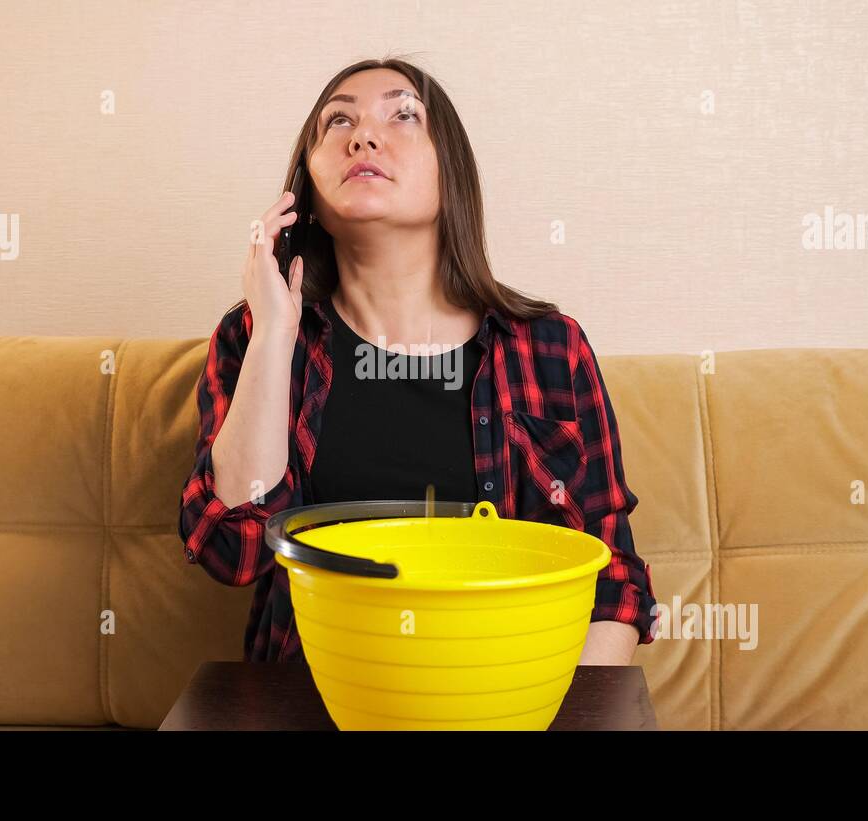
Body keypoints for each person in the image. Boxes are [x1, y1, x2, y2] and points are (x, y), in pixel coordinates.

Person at [178, 55, 656, 665]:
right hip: (317, 696)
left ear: (451, 173)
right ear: (307, 194)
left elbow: (610, 578)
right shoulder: (254, 338)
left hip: (500, 694)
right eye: (337, 123)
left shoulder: (550, 349)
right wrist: (275, 330)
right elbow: (232, 549)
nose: (364, 135)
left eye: (403, 115)